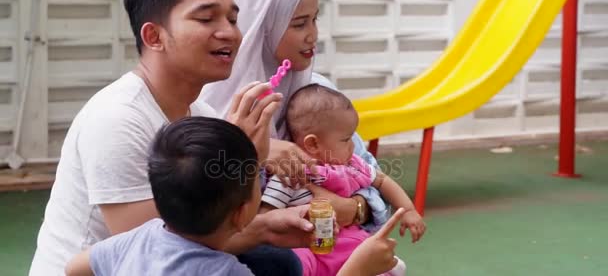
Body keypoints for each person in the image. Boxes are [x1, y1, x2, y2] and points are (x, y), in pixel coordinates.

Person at [29, 0, 313, 276]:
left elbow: (203, 229)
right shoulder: (117, 119)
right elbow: (155, 254)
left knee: (278, 263)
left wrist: (263, 216)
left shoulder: (200, 113)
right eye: (206, 19)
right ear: (154, 37)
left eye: (233, 20)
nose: (230, 34)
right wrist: (238, 158)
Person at [65, 117, 407, 276]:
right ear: (244, 211)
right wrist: (356, 270)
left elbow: (74, 268)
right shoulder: (225, 272)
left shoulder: (134, 241)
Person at [199, 0, 390, 232]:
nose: (313, 35)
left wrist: (354, 207)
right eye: (299, 23)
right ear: (258, 24)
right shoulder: (205, 106)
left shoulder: (319, 93)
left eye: (314, 20)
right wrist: (252, 153)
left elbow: (368, 171)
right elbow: (199, 217)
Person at [261, 84, 427, 276]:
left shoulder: (352, 165)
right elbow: (267, 217)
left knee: (372, 252)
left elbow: (382, 181)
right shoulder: (292, 172)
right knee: (293, 263)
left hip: (345, 240)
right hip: (304, 245)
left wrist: (408, 210)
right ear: (313, 143)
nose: (353, 146)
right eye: (346, 139)